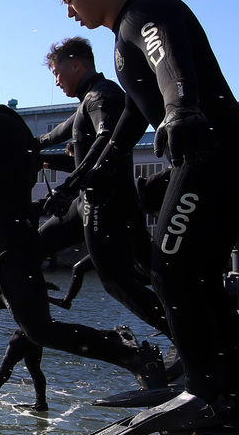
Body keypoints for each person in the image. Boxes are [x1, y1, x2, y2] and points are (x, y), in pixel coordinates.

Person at [51, 0, 239, 435]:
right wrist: (100, 166)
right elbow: (130, 114)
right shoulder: (121, 39)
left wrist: (181, 107)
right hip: (222, 154)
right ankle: (230, 390)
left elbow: (166, 57)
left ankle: (201, 391)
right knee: (201, 275)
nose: (69, 10)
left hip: (211, 154)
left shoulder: (144, 13)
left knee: (170, 270)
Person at [0, 67, 164, 392]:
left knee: (41, 331)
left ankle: (133, 356)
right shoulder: (6, 125)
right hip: (8, 242)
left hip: (13, 247)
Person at [39, 37, 170, 337]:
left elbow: (106, 138)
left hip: (107, 202)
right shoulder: (89, 99)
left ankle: (191, 344)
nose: (56, 81)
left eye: (57, 73)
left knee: (117, 281)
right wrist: (31, 147)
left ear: (76, 65)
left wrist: (70, 185)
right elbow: (57, 133)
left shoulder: (104, 95)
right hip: (87, 202)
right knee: (33, 247)